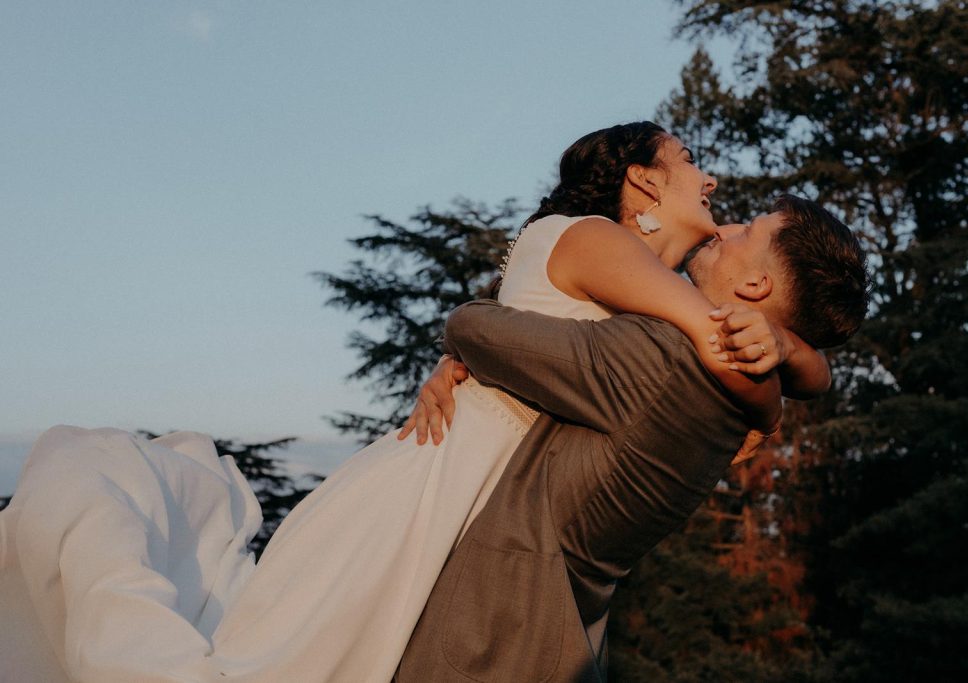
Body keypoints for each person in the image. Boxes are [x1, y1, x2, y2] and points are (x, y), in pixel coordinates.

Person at [0, 123, 833, 682]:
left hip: (455, 491)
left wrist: (795, 358)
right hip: (424, 493)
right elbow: (707, 332)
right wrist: (769, 390)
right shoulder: (591, 238)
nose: (711, 178)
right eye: (690, 161)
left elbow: (550, 344)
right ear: (644, 184)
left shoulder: (624, 292)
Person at [394, 194, 869, 681]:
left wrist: (458, 355)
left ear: (755, 284)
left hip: (489, 641)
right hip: (562, 637)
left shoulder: (668, 357)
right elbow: (815, 376)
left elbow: (476, 327)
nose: (724, 228)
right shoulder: (736, 392)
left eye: (747, 230)